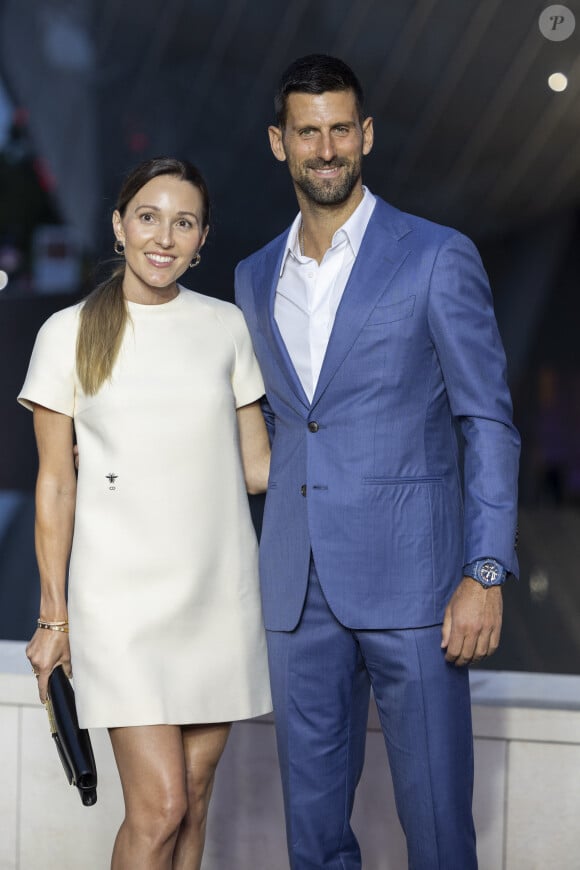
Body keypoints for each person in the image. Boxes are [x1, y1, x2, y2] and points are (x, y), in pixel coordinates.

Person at [235, 55, 520, 869]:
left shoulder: (436, 256)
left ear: (365, 135)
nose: (324, 148)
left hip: (420, 587)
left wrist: (486, 569)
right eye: (305, 131)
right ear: (278, 143)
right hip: (297, 591)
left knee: (436, 834)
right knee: (313, 841)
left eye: (338, 129)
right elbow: (275, 428)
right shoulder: (254, 278)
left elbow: (488, 424)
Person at [20, 156, 272, 870]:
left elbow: (258, 468)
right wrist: (52, 616)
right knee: (159, 806)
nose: (165, 236)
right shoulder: (67, 334)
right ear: (120, 227)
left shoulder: (227, 327)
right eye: (149, 216)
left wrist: (364, 440)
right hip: (122, 609)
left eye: (184, 222)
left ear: (202, 239)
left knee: (193, 798)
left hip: (217, 598)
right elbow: (55, 486)